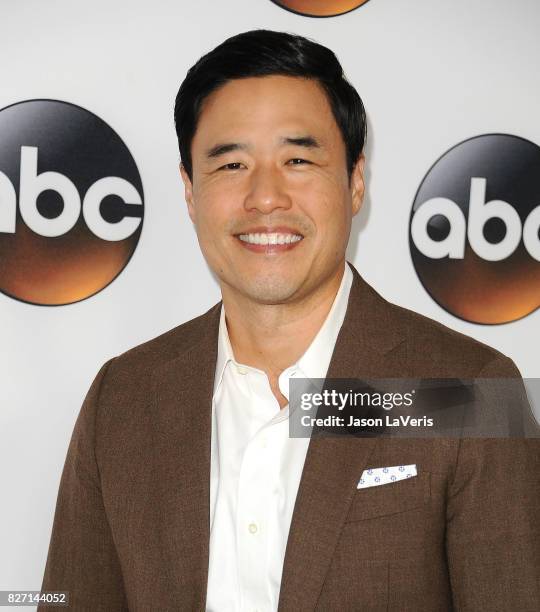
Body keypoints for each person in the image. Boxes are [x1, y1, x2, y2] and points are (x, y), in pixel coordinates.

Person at [40, 30, 539, 611]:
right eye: (231, 164)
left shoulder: (469, 391)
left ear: (355, 181)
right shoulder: (123, 398)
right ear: (189, 192)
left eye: (298, 159)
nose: (266, 197)